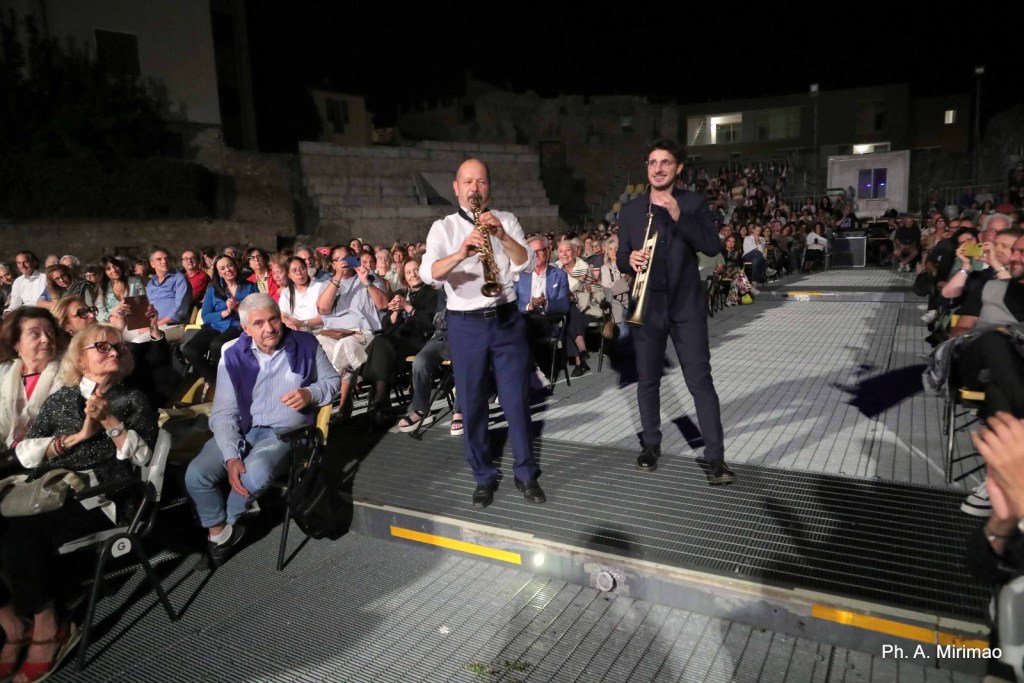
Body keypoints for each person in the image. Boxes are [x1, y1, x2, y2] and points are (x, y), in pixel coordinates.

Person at [3, 324, 157, 682]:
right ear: (80, 358)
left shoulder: (133, 399)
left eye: (119, 347)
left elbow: (144, 458)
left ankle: (49, 628)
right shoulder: (60, 399)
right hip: (50, 488)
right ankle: (11, 622)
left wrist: (110, 421)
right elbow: (26, 453)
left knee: (21, 537)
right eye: (101, 346)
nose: (113, 352)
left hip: (102, 497)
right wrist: (76, 438)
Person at [420, 158, 544, 507]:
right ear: (456, 187)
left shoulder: (506, 220)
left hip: (506, 319)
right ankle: (483, 476)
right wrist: (462, 252)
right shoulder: (443, 228)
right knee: (472, 402)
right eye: (468, 182)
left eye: (482, 182)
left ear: (489, 187)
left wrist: (501, 236)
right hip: (465, 324)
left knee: (516, 400)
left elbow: (527, 263)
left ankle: (526, 474)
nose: (475, 188)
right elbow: (430, 274)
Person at [183, 294, 340, 568]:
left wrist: (311, 392)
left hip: (285, 434)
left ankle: (228, 527)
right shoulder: (231, 353)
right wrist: (231, 455)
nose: (269, 328)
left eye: (273, 319)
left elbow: (333, 381)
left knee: (253, 474)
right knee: (197, 475)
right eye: (259, 323)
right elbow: (223, 412)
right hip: (243, 430)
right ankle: (222, 535)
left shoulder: (305, 343)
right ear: (246, 329)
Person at [617, 139, 735, 485]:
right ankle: (651, 445)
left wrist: (679, 215)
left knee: (700, 381)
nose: (658, 168)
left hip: (686, 306)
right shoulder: (632, 210)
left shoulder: (694, 202)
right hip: (648, 307)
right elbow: (623, 255)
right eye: (652, 162)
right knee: (648, 379)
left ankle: (715, 459)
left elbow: (713, 247)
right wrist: (630, 260)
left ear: (678, 167)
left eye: (666, 162)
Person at [315, 248, 387, 418]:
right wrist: (337, 277)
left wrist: (366, 282)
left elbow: (384, 305)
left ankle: (344, 402)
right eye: (338, 259)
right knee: (315, 347)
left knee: (345, 347)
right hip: (333, 333)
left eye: (346, 258)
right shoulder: (326, 284)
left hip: (361, 333)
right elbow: (323, 309)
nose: (344, 262)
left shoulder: (369, 277)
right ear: (332, 264)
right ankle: (320, 401)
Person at [182, 255, 257, 388]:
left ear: (236, 266)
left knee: (217, 345)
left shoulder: (250, 287)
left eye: (230, 265)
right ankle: (214, 379)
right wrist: (225, 312)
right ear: (218, 273)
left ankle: (223, 382)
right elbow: (206, 316)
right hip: (214, 326)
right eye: (222, 268)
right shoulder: (213, 289)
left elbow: (256, 313)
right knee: (189, 350)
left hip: (237, 326)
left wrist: (236, 308)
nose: (227, 270)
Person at [0, 308, 67, 452]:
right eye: (35, 334)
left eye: (50, 332)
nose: (46, 339)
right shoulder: (3, 374)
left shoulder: (68, 374)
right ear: (15, 343)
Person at [145, 249, 191, 329]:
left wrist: (156, 325)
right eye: (159, 259)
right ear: (152, 264)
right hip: (152, 323)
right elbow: (147, 306)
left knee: (137, 340)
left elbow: (180, 308)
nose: (164, 261)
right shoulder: (151, 283)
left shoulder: (179, 278)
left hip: (173, 324)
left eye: (166, 259)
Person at [278, 257, 325, 331]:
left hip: (319, 330)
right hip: (296, 330)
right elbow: (283, 314)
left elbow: (325, 317)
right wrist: (288, 322)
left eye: (302, 269)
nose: (299, 273)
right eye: (294, 270)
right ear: (289, 275)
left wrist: (303, 323)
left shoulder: (320, 287)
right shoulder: (286, 292)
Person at [95, 256, 145, 325]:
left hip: (134, 322)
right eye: (108, 269)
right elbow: (99, 311)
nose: (113, 270)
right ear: (104, 272)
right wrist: (109, 317)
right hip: (113, 325)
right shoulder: (103, 287)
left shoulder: (135, 282)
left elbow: (144, 304)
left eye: (115, 266)